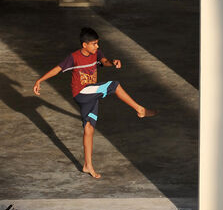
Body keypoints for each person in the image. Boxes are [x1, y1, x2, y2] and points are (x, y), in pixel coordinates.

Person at [33, 27, 158, 178]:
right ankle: (140, 109)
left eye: (97, 43)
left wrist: (113, 62)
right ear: (85, 45)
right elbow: (57, 69)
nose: (97, 46)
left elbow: (104, 61)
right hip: (81, 93)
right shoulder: (74, 57)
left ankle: (87, 165)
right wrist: (40, 80)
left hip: (91, 94)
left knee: (89, 129)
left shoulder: (96, 53)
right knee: (114, 85)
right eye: (94, 44)